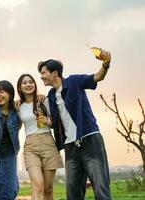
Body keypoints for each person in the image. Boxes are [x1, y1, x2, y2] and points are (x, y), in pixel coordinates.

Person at [37, 49, 112, 200]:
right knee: (73, 193)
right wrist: (48, 122)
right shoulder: (51, 96)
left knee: (100, 188)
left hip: (90, 139)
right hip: (70, 146)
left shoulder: (74, 81)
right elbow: (59, 122)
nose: (41, 76)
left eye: (44, 72)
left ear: (55, 73)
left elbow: (97, 77)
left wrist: (106, 63)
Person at [17, 74, 63, 200]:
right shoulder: (18, 106)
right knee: (38, 186)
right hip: (30, 146)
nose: (28, 84)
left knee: (48, 189)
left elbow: (56, 123)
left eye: (30, 82)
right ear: (20, 88)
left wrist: (47, 121)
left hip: (48, 142)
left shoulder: (44, 100)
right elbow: (16, 126)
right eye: (24, 83)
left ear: (34, 84)